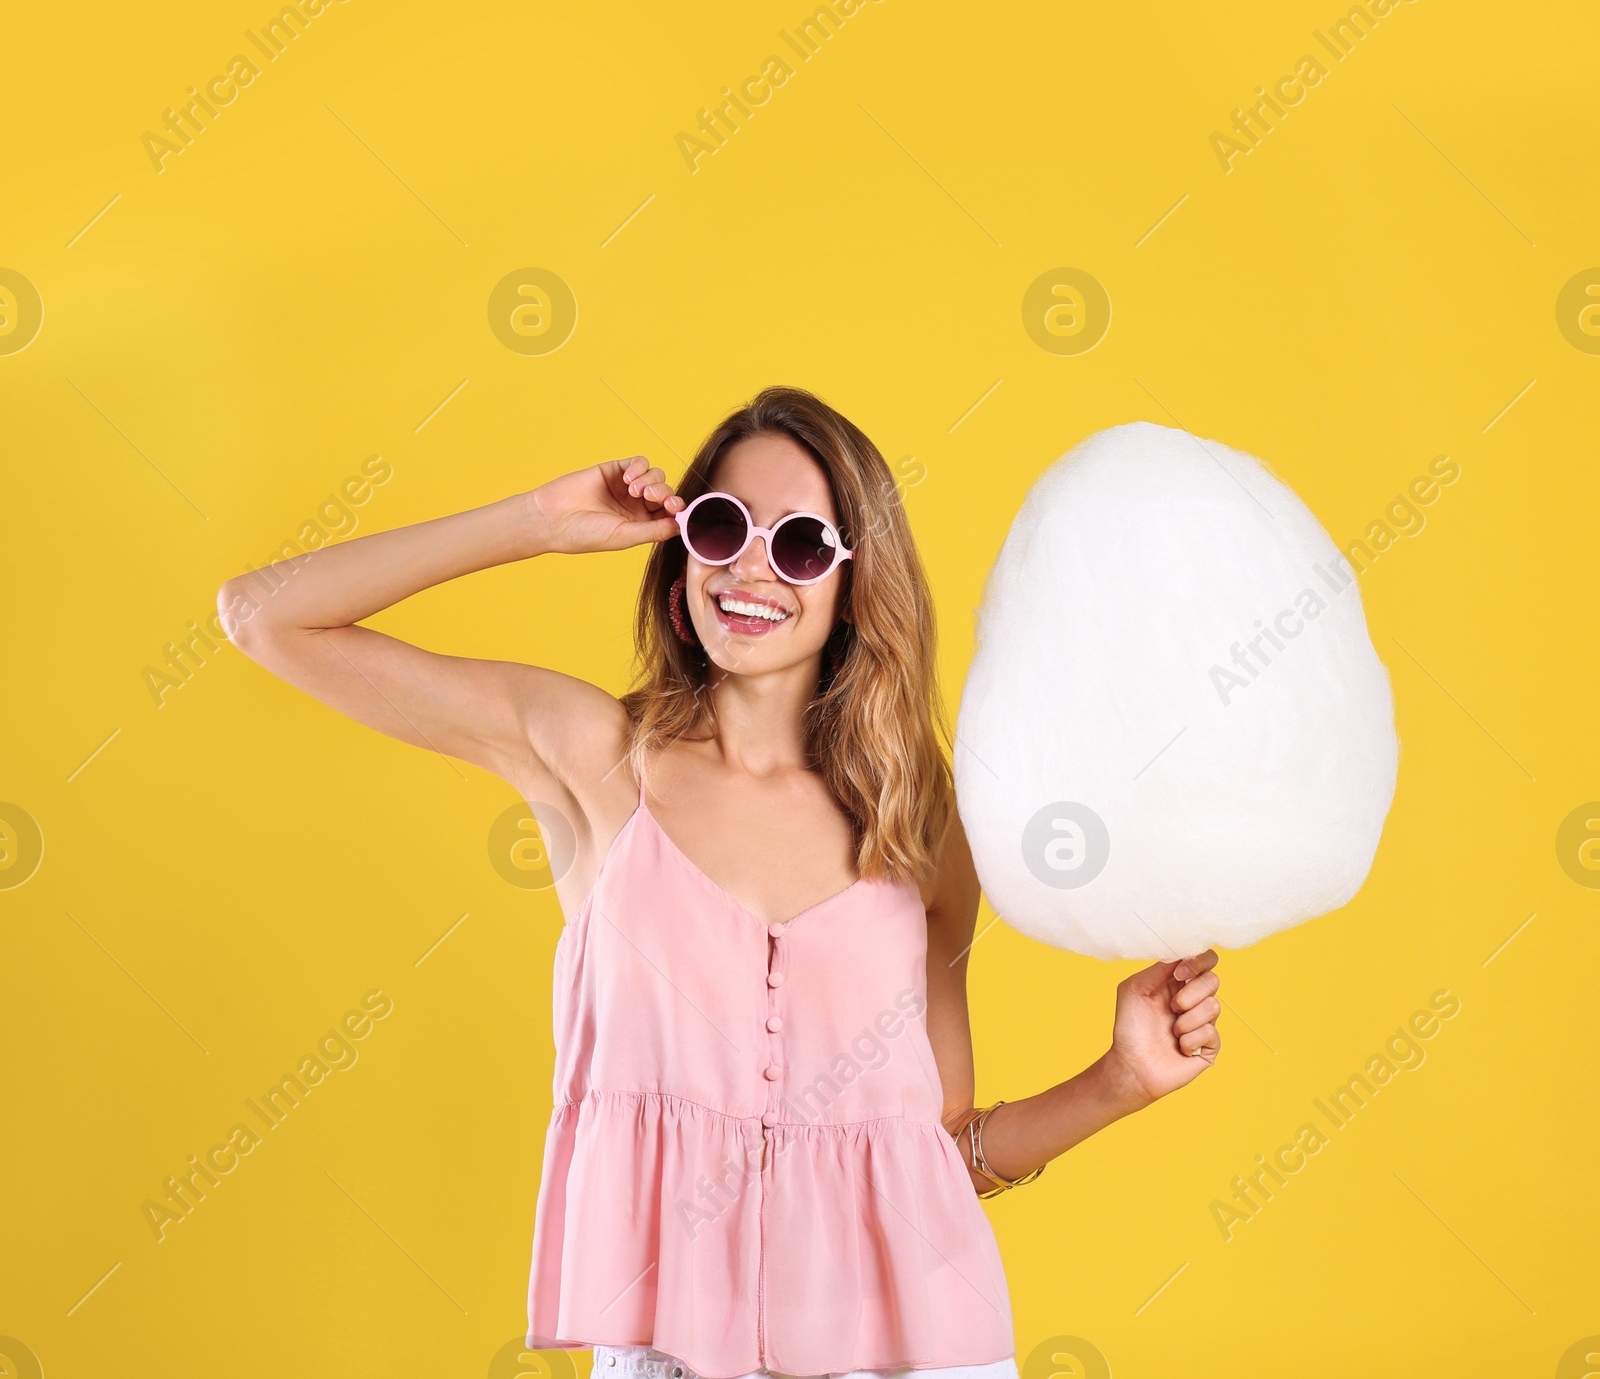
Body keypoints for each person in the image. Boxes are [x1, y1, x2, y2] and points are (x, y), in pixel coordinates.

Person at [218, 385, 1222, 1379]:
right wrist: (536, 523)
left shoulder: (917, 815)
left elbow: (939, 1154)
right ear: (679, 549)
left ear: (851, 582)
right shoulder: (592, 754)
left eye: (796, 544)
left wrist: (1119, 1081)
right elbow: (265, 617)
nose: (749, 568)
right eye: (720, 525)